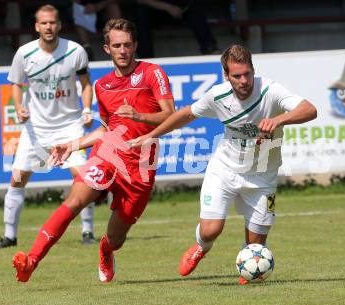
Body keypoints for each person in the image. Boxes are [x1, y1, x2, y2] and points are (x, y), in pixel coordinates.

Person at [129, 44, 317, 284]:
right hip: (224, 170)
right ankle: (200, 247)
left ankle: (249, 267)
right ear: (226, 76)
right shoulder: (217, 95)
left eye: (247, 73)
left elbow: (309, 110)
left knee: (256, 243)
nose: (243, 80)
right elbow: (186, 114)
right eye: (236, 75)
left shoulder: (270, 90)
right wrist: (151, 135)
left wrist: (280, 119)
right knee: (210, 230)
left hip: (262, 176)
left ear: (253, 70)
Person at [11, 18, 175, 283]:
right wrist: (72, 145)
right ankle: (31, 261)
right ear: (107, 48)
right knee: (74, 201)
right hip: (107, 155)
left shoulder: (151, 73)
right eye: (117, 45)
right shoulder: (103, 85)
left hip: (140, 168)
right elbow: (106, 130)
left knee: (116, 237)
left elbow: (170, 116)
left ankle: (105, 250)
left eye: (127, 45)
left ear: (135, 46)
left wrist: (139, 116)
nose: (123, 51)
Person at [0, 5, 97, 249]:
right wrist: (18, 107)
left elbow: (86, 84)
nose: (48, 27)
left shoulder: (75, 51)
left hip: (70, 126)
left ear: (59, 25)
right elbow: (16, 83)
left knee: (83, 179)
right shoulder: (24, 53)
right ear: (37, 26)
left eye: (53, 22)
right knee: (17, 178)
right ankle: (9, 236)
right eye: (44, 23)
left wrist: (88, 110)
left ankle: (88, 232)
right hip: (36, 129)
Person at [136, 0, 220, 58]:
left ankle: (209, 47)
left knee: (194, 8)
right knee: (141, 14)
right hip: (157, 11)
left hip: (179, 11)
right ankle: (145, 57)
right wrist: (168, 7)